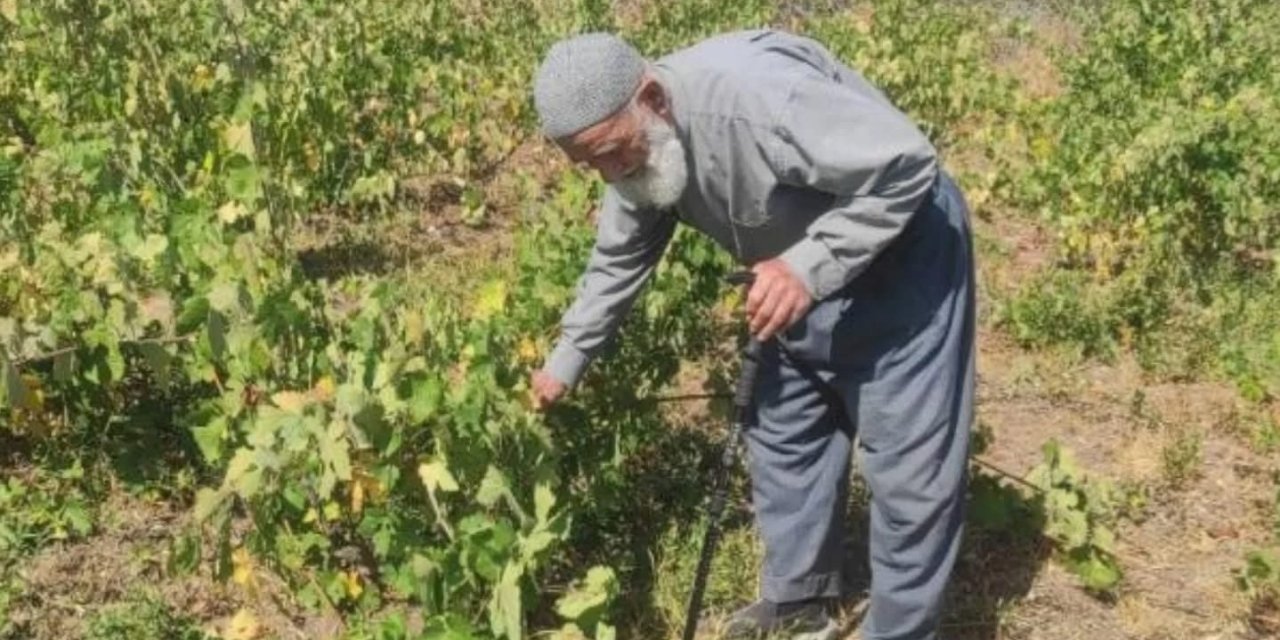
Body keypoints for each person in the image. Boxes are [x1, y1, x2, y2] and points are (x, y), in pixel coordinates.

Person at [528, 30, 975, 640]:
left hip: (901, 247)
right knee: (785, 426)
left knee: (909, 464)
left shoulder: (758, 102)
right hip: (792, 265)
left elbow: (907, 165)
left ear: (653, 97)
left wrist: (807, 268)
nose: (608, 173)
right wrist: (567, 359)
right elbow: (621, 255)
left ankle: (899, 629)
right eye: (589, 164)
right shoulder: (636, 146)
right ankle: (800, 601)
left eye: (610, 151)